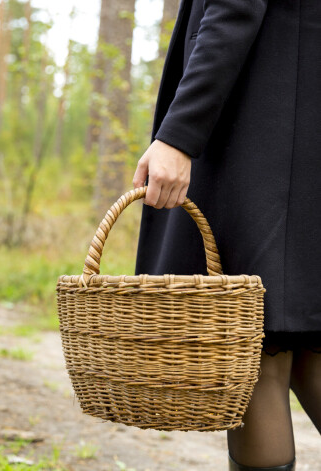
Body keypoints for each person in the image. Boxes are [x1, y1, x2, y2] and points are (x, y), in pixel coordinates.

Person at [132, 0, 321, 470]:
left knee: (253, 343)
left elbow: (233, 9)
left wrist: (178, 135)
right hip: (295, 123)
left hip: (260, 130)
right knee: (299, 343)